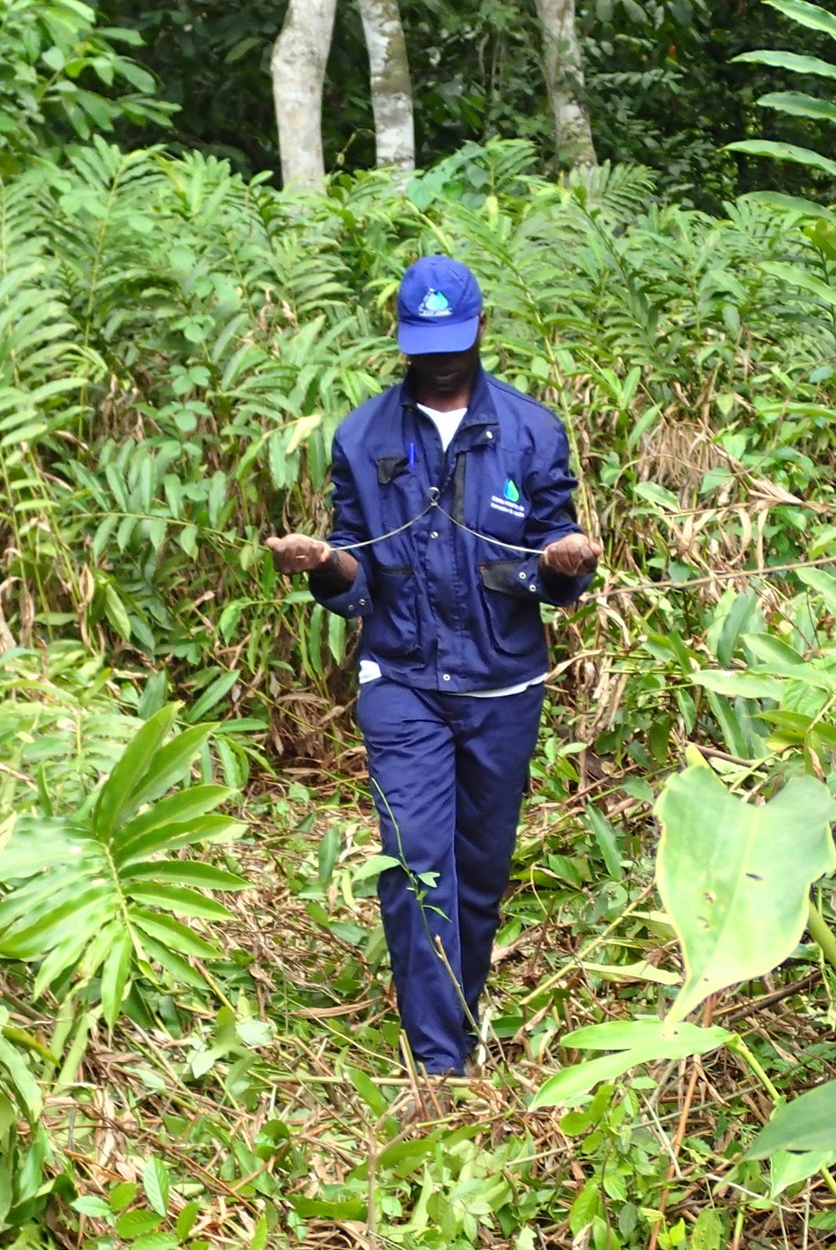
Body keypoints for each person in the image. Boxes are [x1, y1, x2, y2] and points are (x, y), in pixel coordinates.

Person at [265, 255, 602, 1103]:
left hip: (502, 685)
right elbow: (356, 582)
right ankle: (440, 1067)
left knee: (480, 871)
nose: (443, 359)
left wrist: (566, 563)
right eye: (427, 344)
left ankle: (461, 1009)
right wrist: (327, 566)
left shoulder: (532, 432)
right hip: (402, 680)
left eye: (456, 341)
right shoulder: (362, 437)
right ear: (403, 339)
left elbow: (555, 561)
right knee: (416, 863)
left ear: (483, 329)